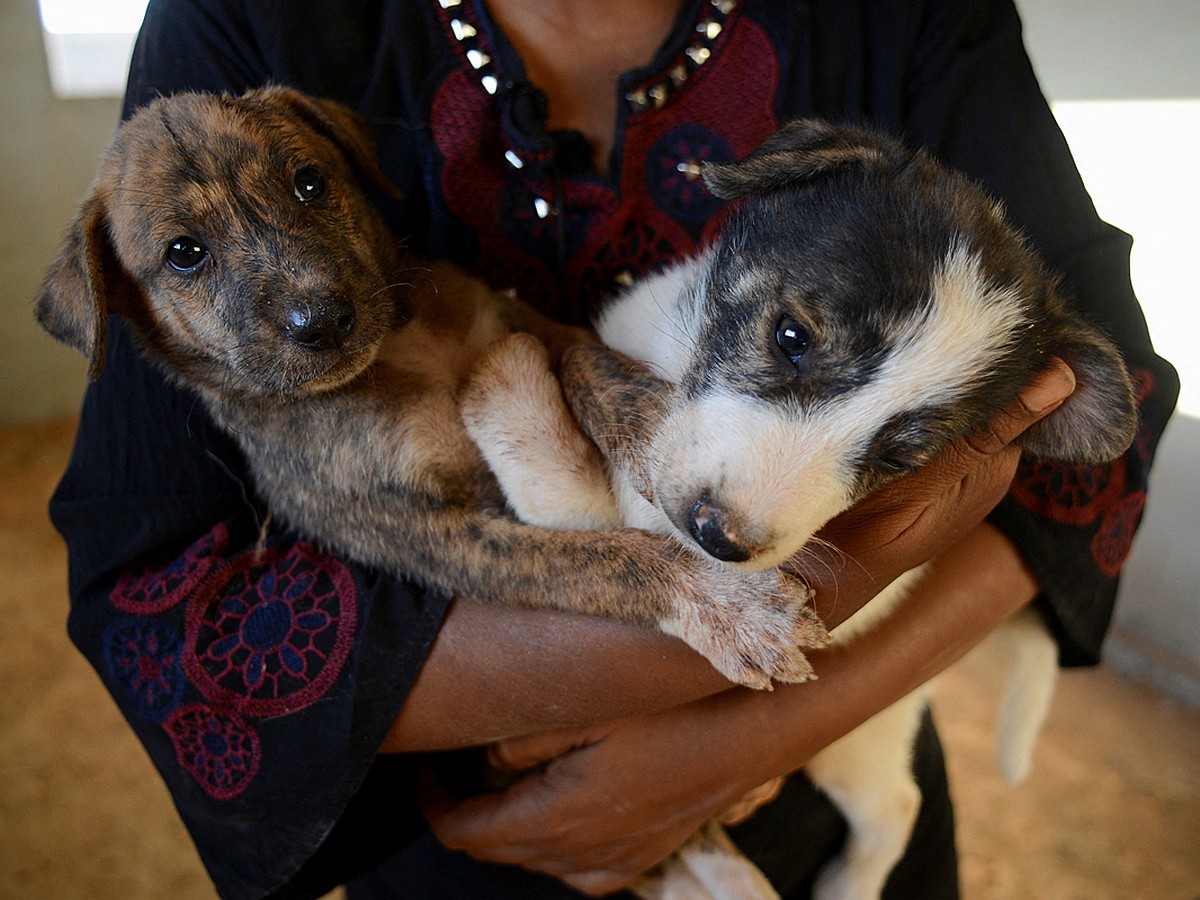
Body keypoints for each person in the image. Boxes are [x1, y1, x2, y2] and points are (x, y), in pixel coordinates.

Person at [48, 0, 1177, 898]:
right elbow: (151, 592)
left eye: (307, 186)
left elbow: (1105, 403)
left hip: (824, 769)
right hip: (503, 834)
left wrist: (755, 732)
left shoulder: (910, 15)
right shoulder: (240, 26)